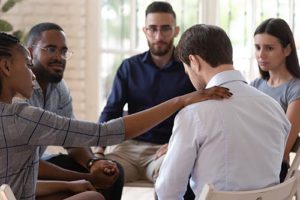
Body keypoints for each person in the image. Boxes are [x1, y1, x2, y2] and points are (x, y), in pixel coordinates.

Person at [0, 32, 231, 200]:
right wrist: (182, 100)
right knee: (93, 198)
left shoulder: (27, 109)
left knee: (89, 188)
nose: (31, 74)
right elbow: (105, 132)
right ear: (6, 67)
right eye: (27, 65)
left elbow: (15, 186)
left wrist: (77, 180)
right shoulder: (23, 117)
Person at [155, 24, 291, 200]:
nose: (188, 75)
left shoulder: (193, 114)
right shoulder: (274, 108)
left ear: (194, 62)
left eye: (186, 69)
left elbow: (168, 191)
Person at [99, 2, 195, 198]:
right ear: (145, 30)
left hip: (168, 148)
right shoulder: (129, 67)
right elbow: (112, 110)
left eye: (165, 29)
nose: (159, 36)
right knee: (102, 174)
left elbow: (201, 112)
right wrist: (98, 151)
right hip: (128, 148)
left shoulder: (190, 69)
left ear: (176, 30)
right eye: (153, 29)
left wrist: (179, 143)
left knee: (177, 176)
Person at [24, 22, 124, 200]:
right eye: (51, 49)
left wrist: (93, 162)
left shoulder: (59, 88)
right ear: (30, 53)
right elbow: (24, 163)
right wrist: (87, 178)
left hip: (40, 163)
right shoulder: (18, 91)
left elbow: (72, 138)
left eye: (63, 51)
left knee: (113, 173)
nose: (59, 57)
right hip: (21, 173)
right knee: (91, 189)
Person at [250, 18, 300, 182]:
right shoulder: (255, 85)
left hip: (272, 168)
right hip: (247, 160)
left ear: (287, 50)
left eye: (269, 48)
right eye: (257, 47)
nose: (261, 55)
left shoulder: (295, 89)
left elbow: (283, 147)